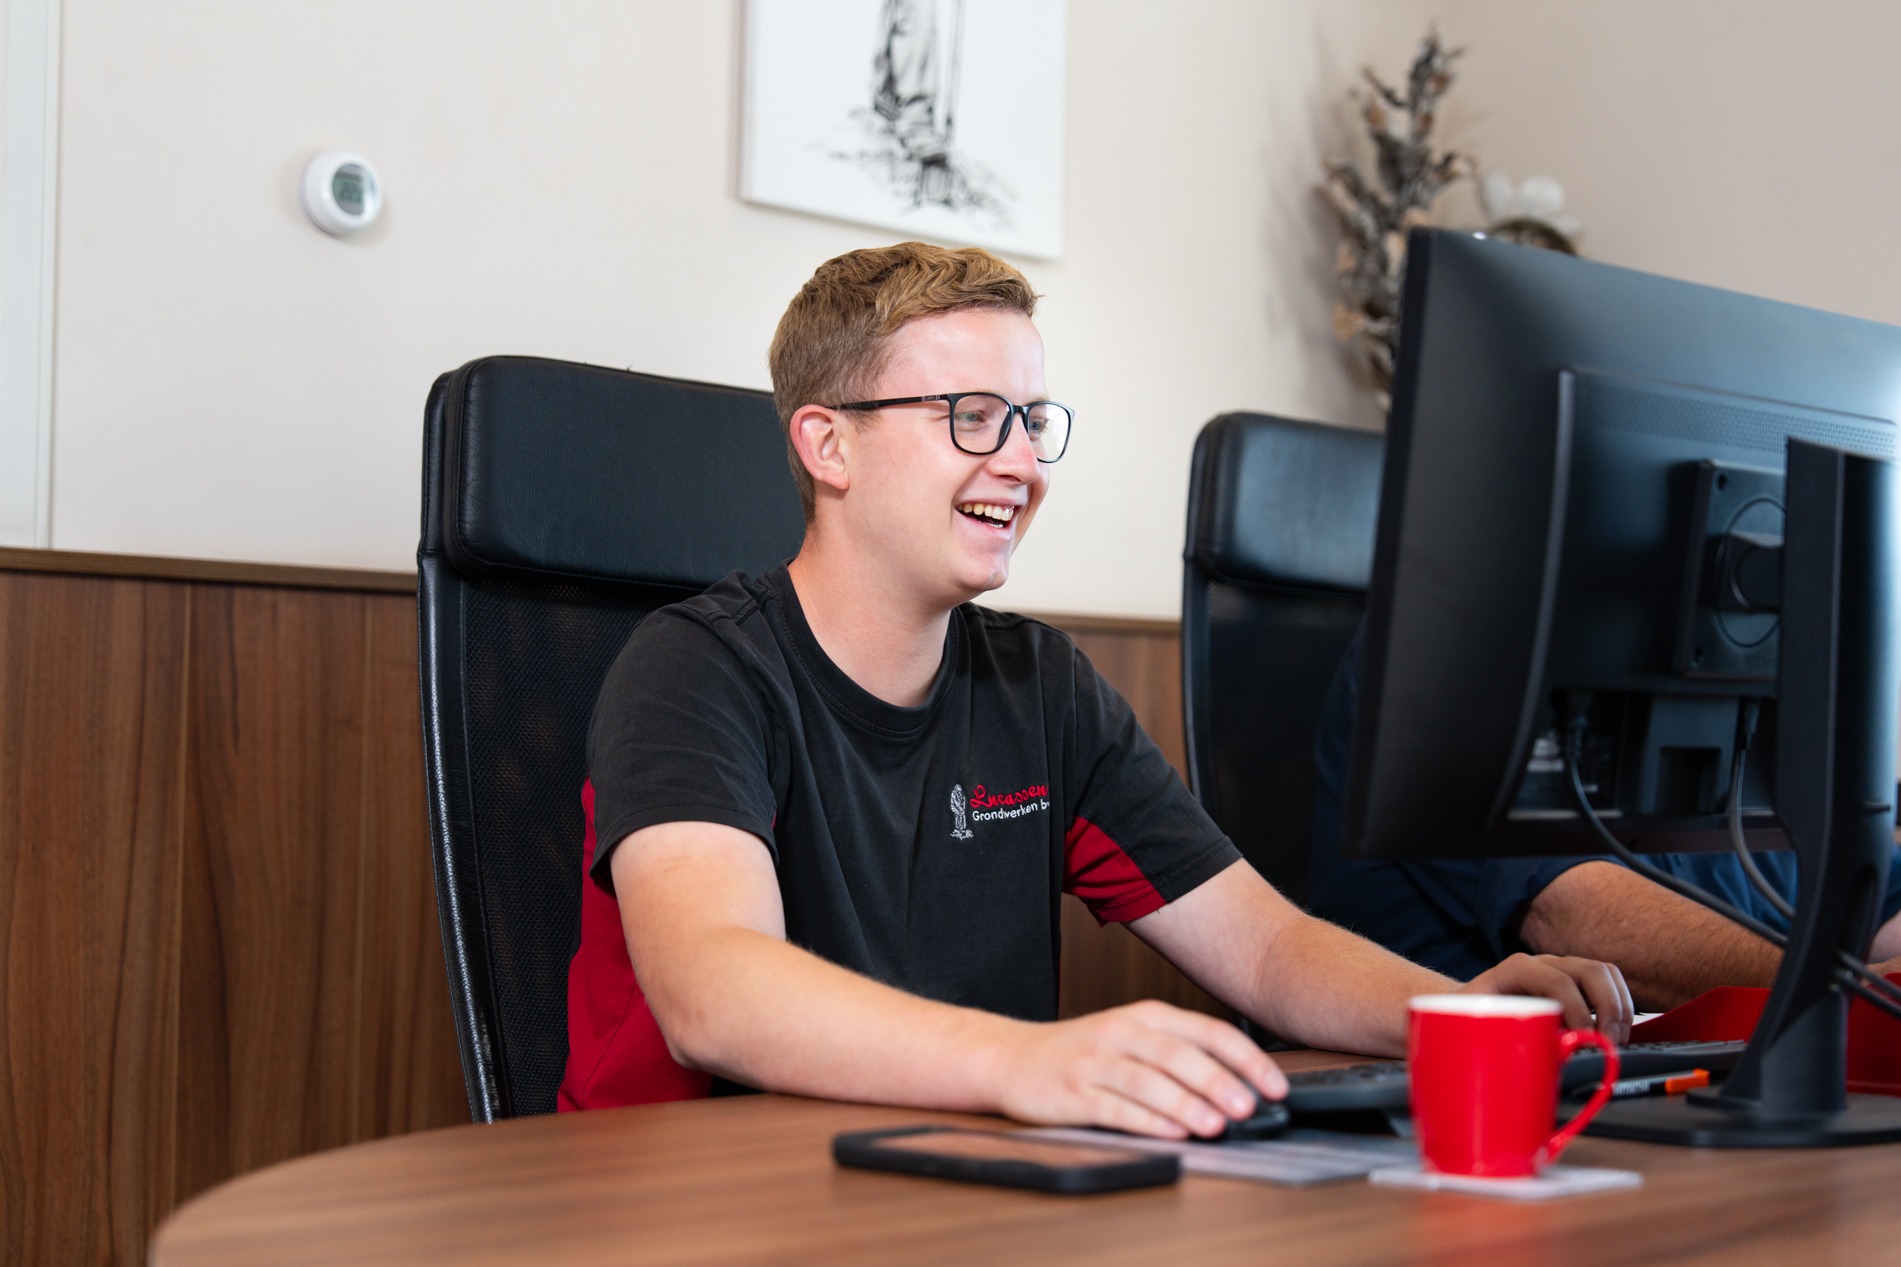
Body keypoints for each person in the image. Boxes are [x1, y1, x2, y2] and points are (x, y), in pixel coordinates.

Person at [558, 242, 1631, 1137]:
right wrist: (1027, 1063)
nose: (1021, 464)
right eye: (971, 417)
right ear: (827, 443)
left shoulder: (1044, 689)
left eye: (1031, 420)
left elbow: (1260, 946)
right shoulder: (694, 669)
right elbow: (711, 988)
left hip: (939, 1188)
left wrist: (1454, 1013)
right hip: (686, 1206)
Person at [1308, 625, 1901, 1012]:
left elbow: (1874, 911)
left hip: (1742, 1077)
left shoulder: (1761, 665)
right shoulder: (1443, 655)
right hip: (1503, 1104)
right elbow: (1577, 917)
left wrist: (1866, 977)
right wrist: (1851, 991)